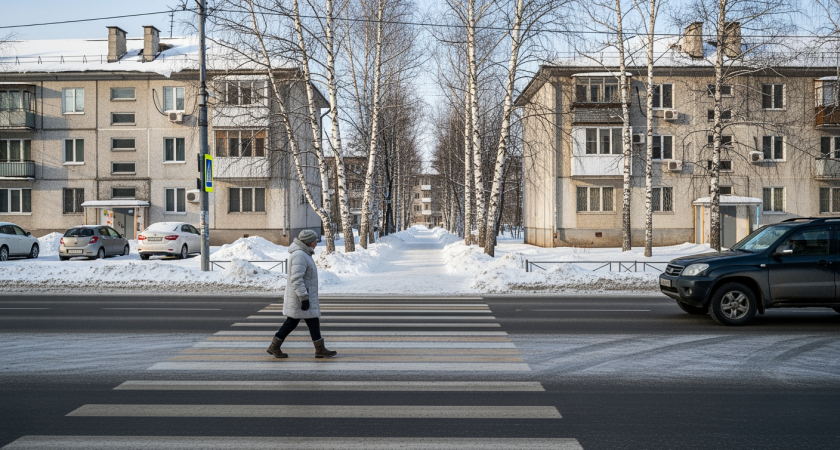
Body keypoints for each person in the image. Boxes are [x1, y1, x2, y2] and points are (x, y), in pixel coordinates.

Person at [267, 229, 337, 359]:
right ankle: (275, 346)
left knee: (306, 322)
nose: (316, 242)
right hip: (301, 296)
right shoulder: (300, 255)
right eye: (314, 240)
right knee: (293, 322)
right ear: (307, 242)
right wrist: (304, 297)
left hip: (303, 295)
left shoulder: (304, 253)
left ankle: (318, 349)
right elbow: (296, 279)